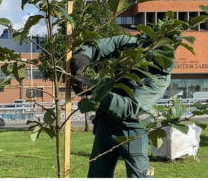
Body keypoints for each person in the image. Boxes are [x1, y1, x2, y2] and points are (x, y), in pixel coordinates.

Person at [71, 34, 176, 178]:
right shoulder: (132, 44)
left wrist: (95, 90)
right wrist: (84, 55)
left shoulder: (160, 78)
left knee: (139, 176)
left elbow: (130, 108)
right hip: (105, 125)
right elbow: (102, 45)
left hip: (133, 130)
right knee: (97, 174)